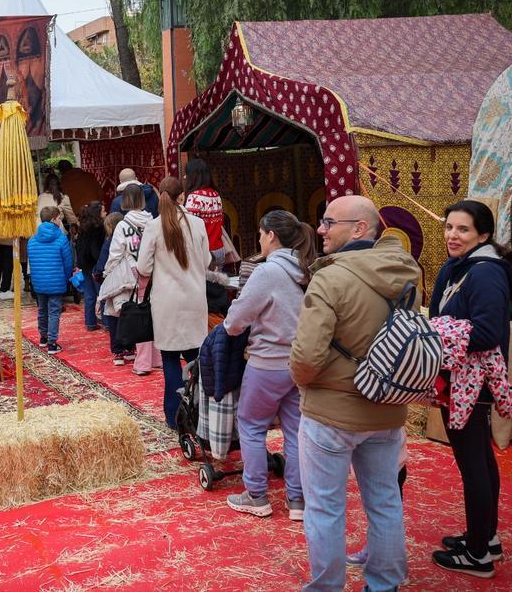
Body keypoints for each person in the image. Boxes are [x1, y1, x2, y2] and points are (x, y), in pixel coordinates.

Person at [290, 195, 418, 591]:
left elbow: (306, 356)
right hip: (387, 408)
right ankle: (384, 584)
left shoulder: (331, 277)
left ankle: (327, 586)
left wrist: (307, 379)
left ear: (359, 229)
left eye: (329, 222)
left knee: (325, 508)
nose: (321, 230)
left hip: (331, 413)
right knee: (384, 502)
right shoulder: (405, 274)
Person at [428, 199, 512, 578]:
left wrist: (436, 332)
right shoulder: (462, 267)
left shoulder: (484, 274)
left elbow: (487, 333)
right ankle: (486, 536)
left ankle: (478, 555)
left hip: (471, 383)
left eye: (463, 229)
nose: (452, 234)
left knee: (474, 465)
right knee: (480, 459)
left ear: (483, 234)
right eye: (449, 226)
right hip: (461, 378)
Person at [222, 210, 317, 521]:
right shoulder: (305, 269)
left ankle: (257, 494)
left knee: (250, 425)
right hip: (299, 362)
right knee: (295, 430)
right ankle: (298, 500)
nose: (260, 240)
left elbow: (236, 320)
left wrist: (230, 324)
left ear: (271, 235)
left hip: (267, 362)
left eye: (261, 234)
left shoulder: (268, 272)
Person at [135, 176, 212, 428]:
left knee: (169, 359)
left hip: (166, 302)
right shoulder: (197, 224)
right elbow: (207, 262)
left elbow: (143, 267)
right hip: (194, 299)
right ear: (182, 197)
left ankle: (174, 416)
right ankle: (199, 414)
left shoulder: (154, 227)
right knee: (195, 359)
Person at [97, 186, 150, 367]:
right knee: (146, 312)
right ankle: (139, 351)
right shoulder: (152, 221)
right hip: (150, 273)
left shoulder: (123, 225)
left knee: (119, 311)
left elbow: (115, 253)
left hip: (128, 274)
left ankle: (120, 350)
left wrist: (107, 273)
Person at [27, 206, 74, 355]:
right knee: (54, 311)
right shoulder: (61, 239)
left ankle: (43, 337)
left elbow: (32, 262)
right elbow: (68, 262)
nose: (61, 221)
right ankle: (52, 343)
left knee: (42, 310)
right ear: (54, 219)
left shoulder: (32, 240)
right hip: (56, 280)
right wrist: (66, 278)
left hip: (39, 282)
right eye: (59, 218)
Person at [183, 158, 226, 262]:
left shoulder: (194, 197)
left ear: (193, 176)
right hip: (219, 249)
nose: (184, 177)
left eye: (187, 174)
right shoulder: (216, 195)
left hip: (204, 253)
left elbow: (188, 228)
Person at [74, 201, 106, 331]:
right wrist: (100, 263)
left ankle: (90, 322)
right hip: (94, 265)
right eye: (104, 211)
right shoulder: (98, 228)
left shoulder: (83, 227)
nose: (106, 213)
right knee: (102, 295)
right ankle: (107, 322)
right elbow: (95, 250)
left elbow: (79, 247)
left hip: (85, 265)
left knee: (89, 295)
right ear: (98, 214)